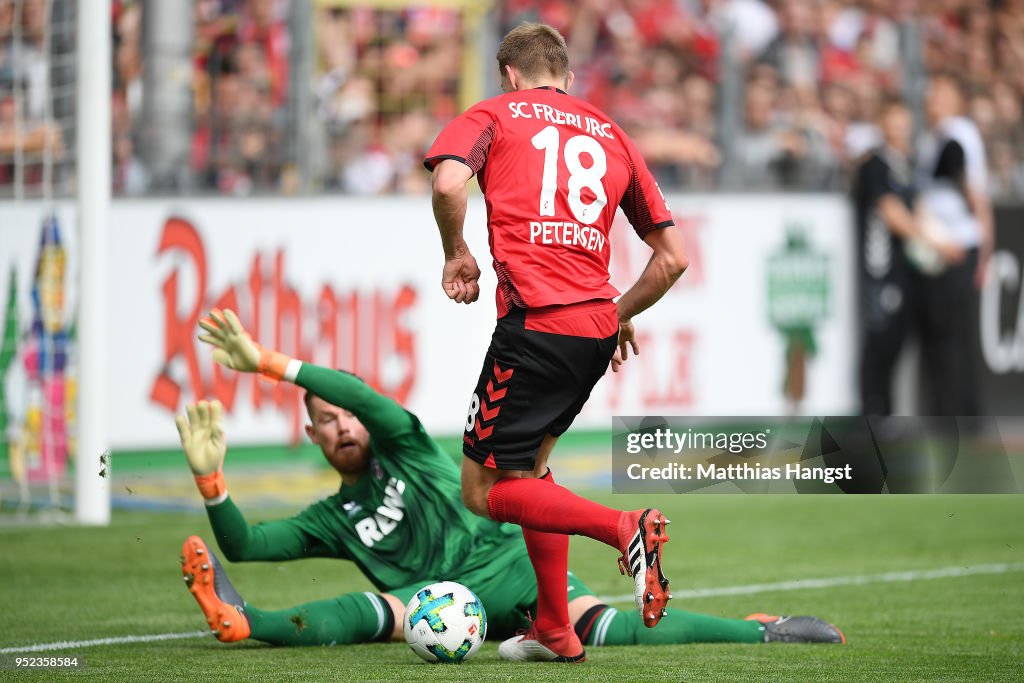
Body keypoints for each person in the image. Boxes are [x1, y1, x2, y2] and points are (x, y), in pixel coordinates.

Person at [177, 308, 845, 651]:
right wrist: (211, 479)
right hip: (437, 602)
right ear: (313, 437)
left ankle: (759, 632)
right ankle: (248, 621)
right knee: (368, 611)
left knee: (610, 629)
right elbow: (247, 544)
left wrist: (269, 363)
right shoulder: (329, 519)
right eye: (328, 420)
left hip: (510, 570)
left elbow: (361, 393)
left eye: (348, 413)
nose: (345, 423)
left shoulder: (403, 443)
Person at [425, 22, 688, 663]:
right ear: (568, 78)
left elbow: (447, 183)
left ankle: (625, 529)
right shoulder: (612, 132)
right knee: (532, 471)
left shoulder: (494, 113)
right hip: (593, 333)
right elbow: (672, 259)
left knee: (483, 492)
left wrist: (457, 251)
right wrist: (614, 311)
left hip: (535, 329)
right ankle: (555, 630)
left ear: (510, 75)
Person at [853, 98, 964, 415]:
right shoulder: (875, 165)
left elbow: (918, 209)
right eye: (892, 120)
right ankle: (872, 415)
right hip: (882, 267)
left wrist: (942, 237)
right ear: (882, 124)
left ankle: (886, 413)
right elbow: (892, 214)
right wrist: (937, 244)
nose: (899, 128)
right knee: (880, 341)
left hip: (907, 269)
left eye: (903, 121)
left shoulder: (908, 165)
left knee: (898, 341)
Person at [915, 72, 993, 415]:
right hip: (935, 247)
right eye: (932, 95)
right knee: (938, 333)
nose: (934, 101)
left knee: (953, 335)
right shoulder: (930, 138)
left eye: (942, 95)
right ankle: (945, 411)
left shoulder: (958, 133)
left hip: (958, 246)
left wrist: (984, 252)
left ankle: (961, 415)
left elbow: (975, 196)